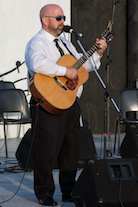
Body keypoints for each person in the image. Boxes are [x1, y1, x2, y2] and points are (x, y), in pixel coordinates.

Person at [25, 4, 107, 206]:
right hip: (46, 103)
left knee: (71, 149)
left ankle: (69, 191)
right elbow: (37, 64)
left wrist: (97, 54)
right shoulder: (36, 42)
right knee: (46, 150)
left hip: (69, 102)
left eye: (63, 17)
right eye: (58, 17)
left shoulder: (66, 43)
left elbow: (83, 67)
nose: (63, 21)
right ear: (45, 20)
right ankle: (44, 193)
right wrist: (64, 71)